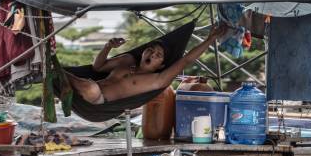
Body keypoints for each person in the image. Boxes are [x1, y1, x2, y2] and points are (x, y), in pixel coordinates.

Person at [64, 24, 227, 104]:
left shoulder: (157, 79)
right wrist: (108, 47)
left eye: (158, 55)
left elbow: (187, 59)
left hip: (97, 100)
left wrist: (210, 40)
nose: (152, 54)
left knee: (91, 88)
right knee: (89, 84)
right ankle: (60, 76)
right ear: (143, 51)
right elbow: (97, 67)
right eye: (150, 49)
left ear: (162, 65)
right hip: (84, 87)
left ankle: (62, 77)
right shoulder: (127, 60)